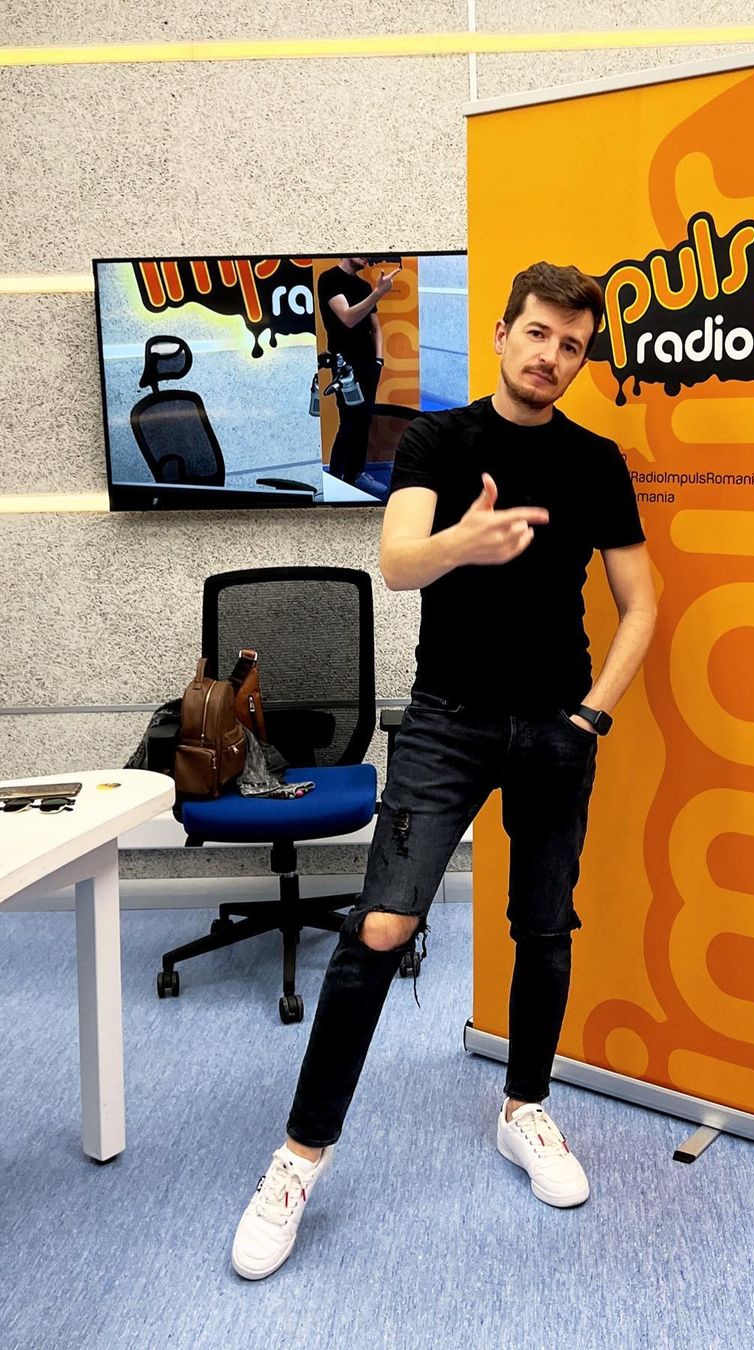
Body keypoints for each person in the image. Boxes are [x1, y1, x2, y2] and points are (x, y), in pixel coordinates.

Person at [231, 261, 657, 1281]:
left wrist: (593, 715)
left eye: (571, 345)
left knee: (545, 928)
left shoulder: (596, 461)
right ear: (504, 333)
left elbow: (642, 603)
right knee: (381, 926)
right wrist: (462, 542)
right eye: (537, 334)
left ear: (581, 359)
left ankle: (525, 1110)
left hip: (555, 726)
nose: (551, 356)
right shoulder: (437, 439)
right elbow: (396, 563)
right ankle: (299, 1157)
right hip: (446, 722)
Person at [317, 257, 401, 485]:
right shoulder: (329, 278)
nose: (366, 257)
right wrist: (378, 293)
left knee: (364, 420)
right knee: (349, 421)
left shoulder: (364, 286)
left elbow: (376, 328)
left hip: (369, 363)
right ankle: (337, 479)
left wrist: (379, 361)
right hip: (345, 365)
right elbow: (348, 317)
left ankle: (356, 474)